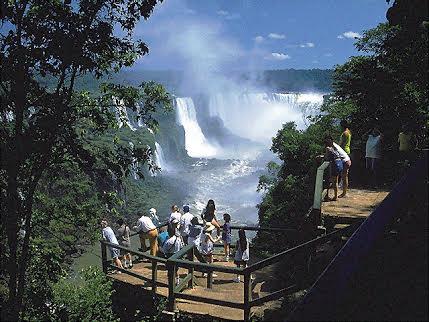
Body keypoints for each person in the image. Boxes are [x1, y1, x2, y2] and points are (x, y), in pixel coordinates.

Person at [324, 135, 344, 201]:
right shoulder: (334, 147)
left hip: (335, 165)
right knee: (336, 181)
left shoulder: (327, 148)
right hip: (340, 163)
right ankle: (334, 196)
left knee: (334, 181)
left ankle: (335, 197)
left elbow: (326, 158)